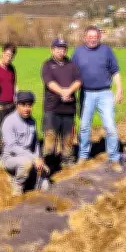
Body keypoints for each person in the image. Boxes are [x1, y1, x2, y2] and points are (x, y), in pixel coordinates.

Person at [71, 26, 124, 172]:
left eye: (95, 37)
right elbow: (71, 73)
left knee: (110, 126)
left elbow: (115, 71)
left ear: (99, 38)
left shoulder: (106, 50)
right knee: (84, 127)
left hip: (105, 93)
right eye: (90, 36)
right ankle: (83, 155)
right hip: (85, 93)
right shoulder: (78, 52)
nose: (92, 39)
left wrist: (119, 89)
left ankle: (114, 158)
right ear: (85, 37)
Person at [41, 38, 81, 170]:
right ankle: (48, 161)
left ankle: (67, 159)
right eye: (58, 48)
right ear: (52, 50)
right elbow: (49, 82)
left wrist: (69, 91)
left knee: (68, 138)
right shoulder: (47, 65)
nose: (60, 51)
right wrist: (62, 92)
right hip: (52, 108)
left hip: (69, 108)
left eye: (63, 48)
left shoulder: (72, 65)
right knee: (50, 137)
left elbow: (78, 80)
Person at [1, 91, 49, 195]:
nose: (27, 108)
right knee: (26, 163)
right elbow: (13, 147)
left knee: (45, 183)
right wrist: (34, 158)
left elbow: (35, 144)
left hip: (29, 157)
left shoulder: (32, 121)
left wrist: (38, 158)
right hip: (11, 158)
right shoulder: (9, 121)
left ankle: (27, 178)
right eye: (23, 105)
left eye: (29, 105)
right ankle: (17, 185)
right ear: (17, 105)